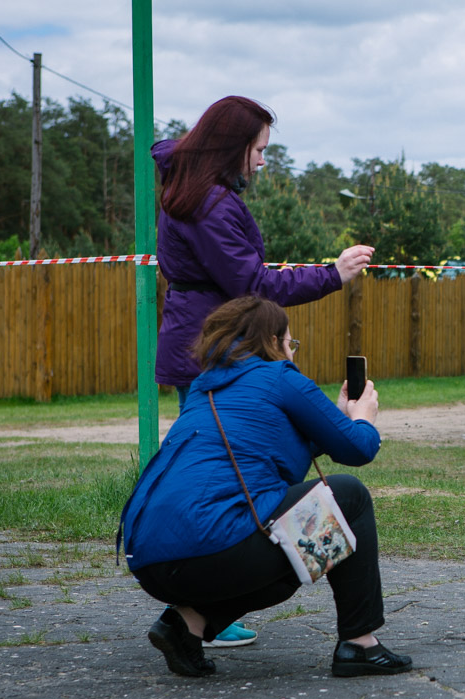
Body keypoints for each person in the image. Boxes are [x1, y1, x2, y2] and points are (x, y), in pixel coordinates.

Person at [152, 95, 374, 645]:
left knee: (237, 470)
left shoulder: (196, 192)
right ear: (233, 147)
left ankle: (200, 609)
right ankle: (206, 604)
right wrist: (332, 275)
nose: (262, 160)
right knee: (277, 496)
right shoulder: (209, 203)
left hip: (207, 338)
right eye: (258, 149)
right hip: (217, 342)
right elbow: (253, 285)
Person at [118, 296, 411, 678]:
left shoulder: (204, 389)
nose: (292, 352)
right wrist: (363, 419)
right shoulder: (279, 376)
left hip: (149, 562)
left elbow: (275, 449)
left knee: (290, 565)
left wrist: (338, 420)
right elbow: (359, 448)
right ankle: (360, 643)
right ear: (274, 341)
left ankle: (184, 625)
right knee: (348, 496)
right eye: (291, 343)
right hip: (210, 545)